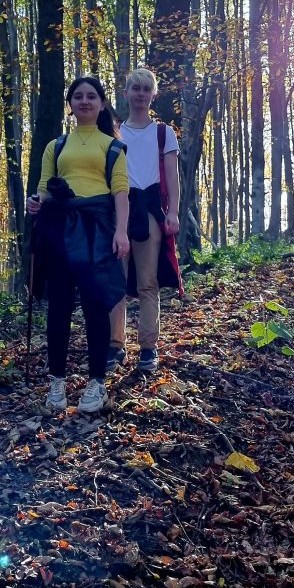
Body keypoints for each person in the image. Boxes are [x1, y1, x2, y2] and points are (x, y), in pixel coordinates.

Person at [27, 76, 130, 414]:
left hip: (98, 232)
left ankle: (96, 382)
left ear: (101, 104)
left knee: (94, 305)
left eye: (91, 96)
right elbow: (44, 186)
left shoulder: (113, 146)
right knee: (58, 306)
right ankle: (56, 382)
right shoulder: (55, 146)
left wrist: (121, 232)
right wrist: (36, 202)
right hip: (58, 230)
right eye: (78, 97)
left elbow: (120, 191)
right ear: (70, 105)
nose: (85, 101)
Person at [108, 68, 183, 374]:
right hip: (118, 213)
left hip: (151, 211)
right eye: (134, 88)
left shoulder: (163, 133)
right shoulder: (113, 132)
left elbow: (173, 177)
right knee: (116, 283)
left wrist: (174, 212)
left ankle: (148, 348)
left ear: (153, 94)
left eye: (145, 89)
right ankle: (115, 345)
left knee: (147, 282)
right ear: (125, 94)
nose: (140, 94)